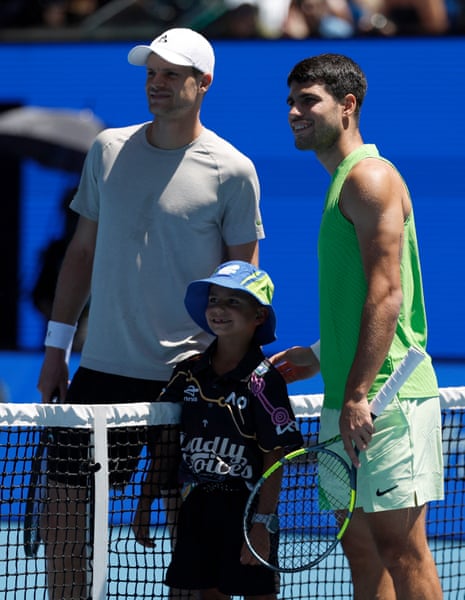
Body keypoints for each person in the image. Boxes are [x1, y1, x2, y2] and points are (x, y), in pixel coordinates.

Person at [37, 27, 264, 600]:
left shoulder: (233, 170)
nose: (156, 85)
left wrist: (236, 374)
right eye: (151, 74)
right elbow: (81, 253)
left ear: (203, 83)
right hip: (100, 375)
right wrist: (55, 350)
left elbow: (245, 285)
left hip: (189, 385)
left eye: (171, 74)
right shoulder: (107, 149)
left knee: (188, 544)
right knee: (64, 524)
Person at [270, 53, 444, 599]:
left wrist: (359, 392)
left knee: (402, 549)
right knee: (362, 546)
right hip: (348, 394)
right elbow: (365, 297)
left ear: (347, 106)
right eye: (290, 101)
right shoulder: (344, 182)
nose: (294, 111)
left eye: (308, 100)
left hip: (383, 397)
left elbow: (389, 293)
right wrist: (324, 353)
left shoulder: (370, 176)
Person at [132, 261, 303, 599]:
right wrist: (145, 499)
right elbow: (167, 443)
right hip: (196, 506)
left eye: (233, 301)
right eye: (213, 300)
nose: (219, 309)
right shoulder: (187, 373)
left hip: (248, 508)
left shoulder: (264, 380)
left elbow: (275, 454)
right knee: (207, 595)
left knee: (259, 595)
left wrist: (262, 523)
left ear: (259, 317)